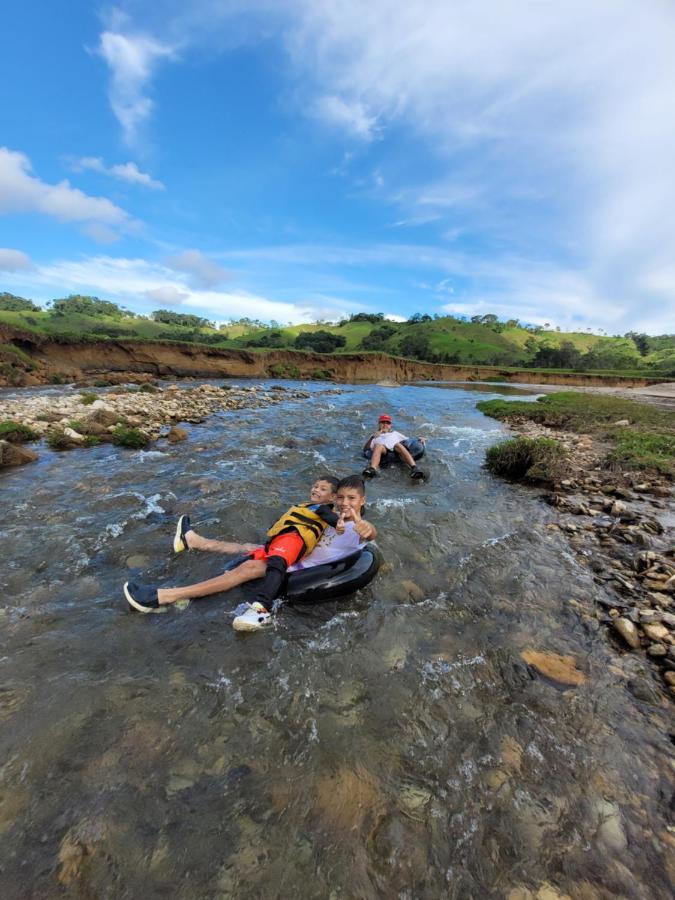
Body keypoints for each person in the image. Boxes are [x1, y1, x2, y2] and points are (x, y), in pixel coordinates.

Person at [123, 475, 377, 631]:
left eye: (352, 499)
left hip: (298, 568)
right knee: (249, 547)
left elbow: (368, 533)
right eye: (341, 498)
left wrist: (366, 528)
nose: (345, 503)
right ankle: (194, 541)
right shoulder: (331, 518)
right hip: (297, 555)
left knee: (247, 568)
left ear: (362, 501)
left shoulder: (357, 527)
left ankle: (164, 597)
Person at [362, 414, 426, 480]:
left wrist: (419, 439)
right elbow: (365, 449)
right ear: (379, 424)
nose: (385, 425)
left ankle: (414, 468)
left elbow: (409, 441)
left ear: (390, 425)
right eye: (383, 422)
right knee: (379, 446)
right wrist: (372, 437)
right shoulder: (374, 436)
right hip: (384, 453)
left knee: (397, 445)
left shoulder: (395, 433)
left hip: (396, 452)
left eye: (387, 423)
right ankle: (372, 469)